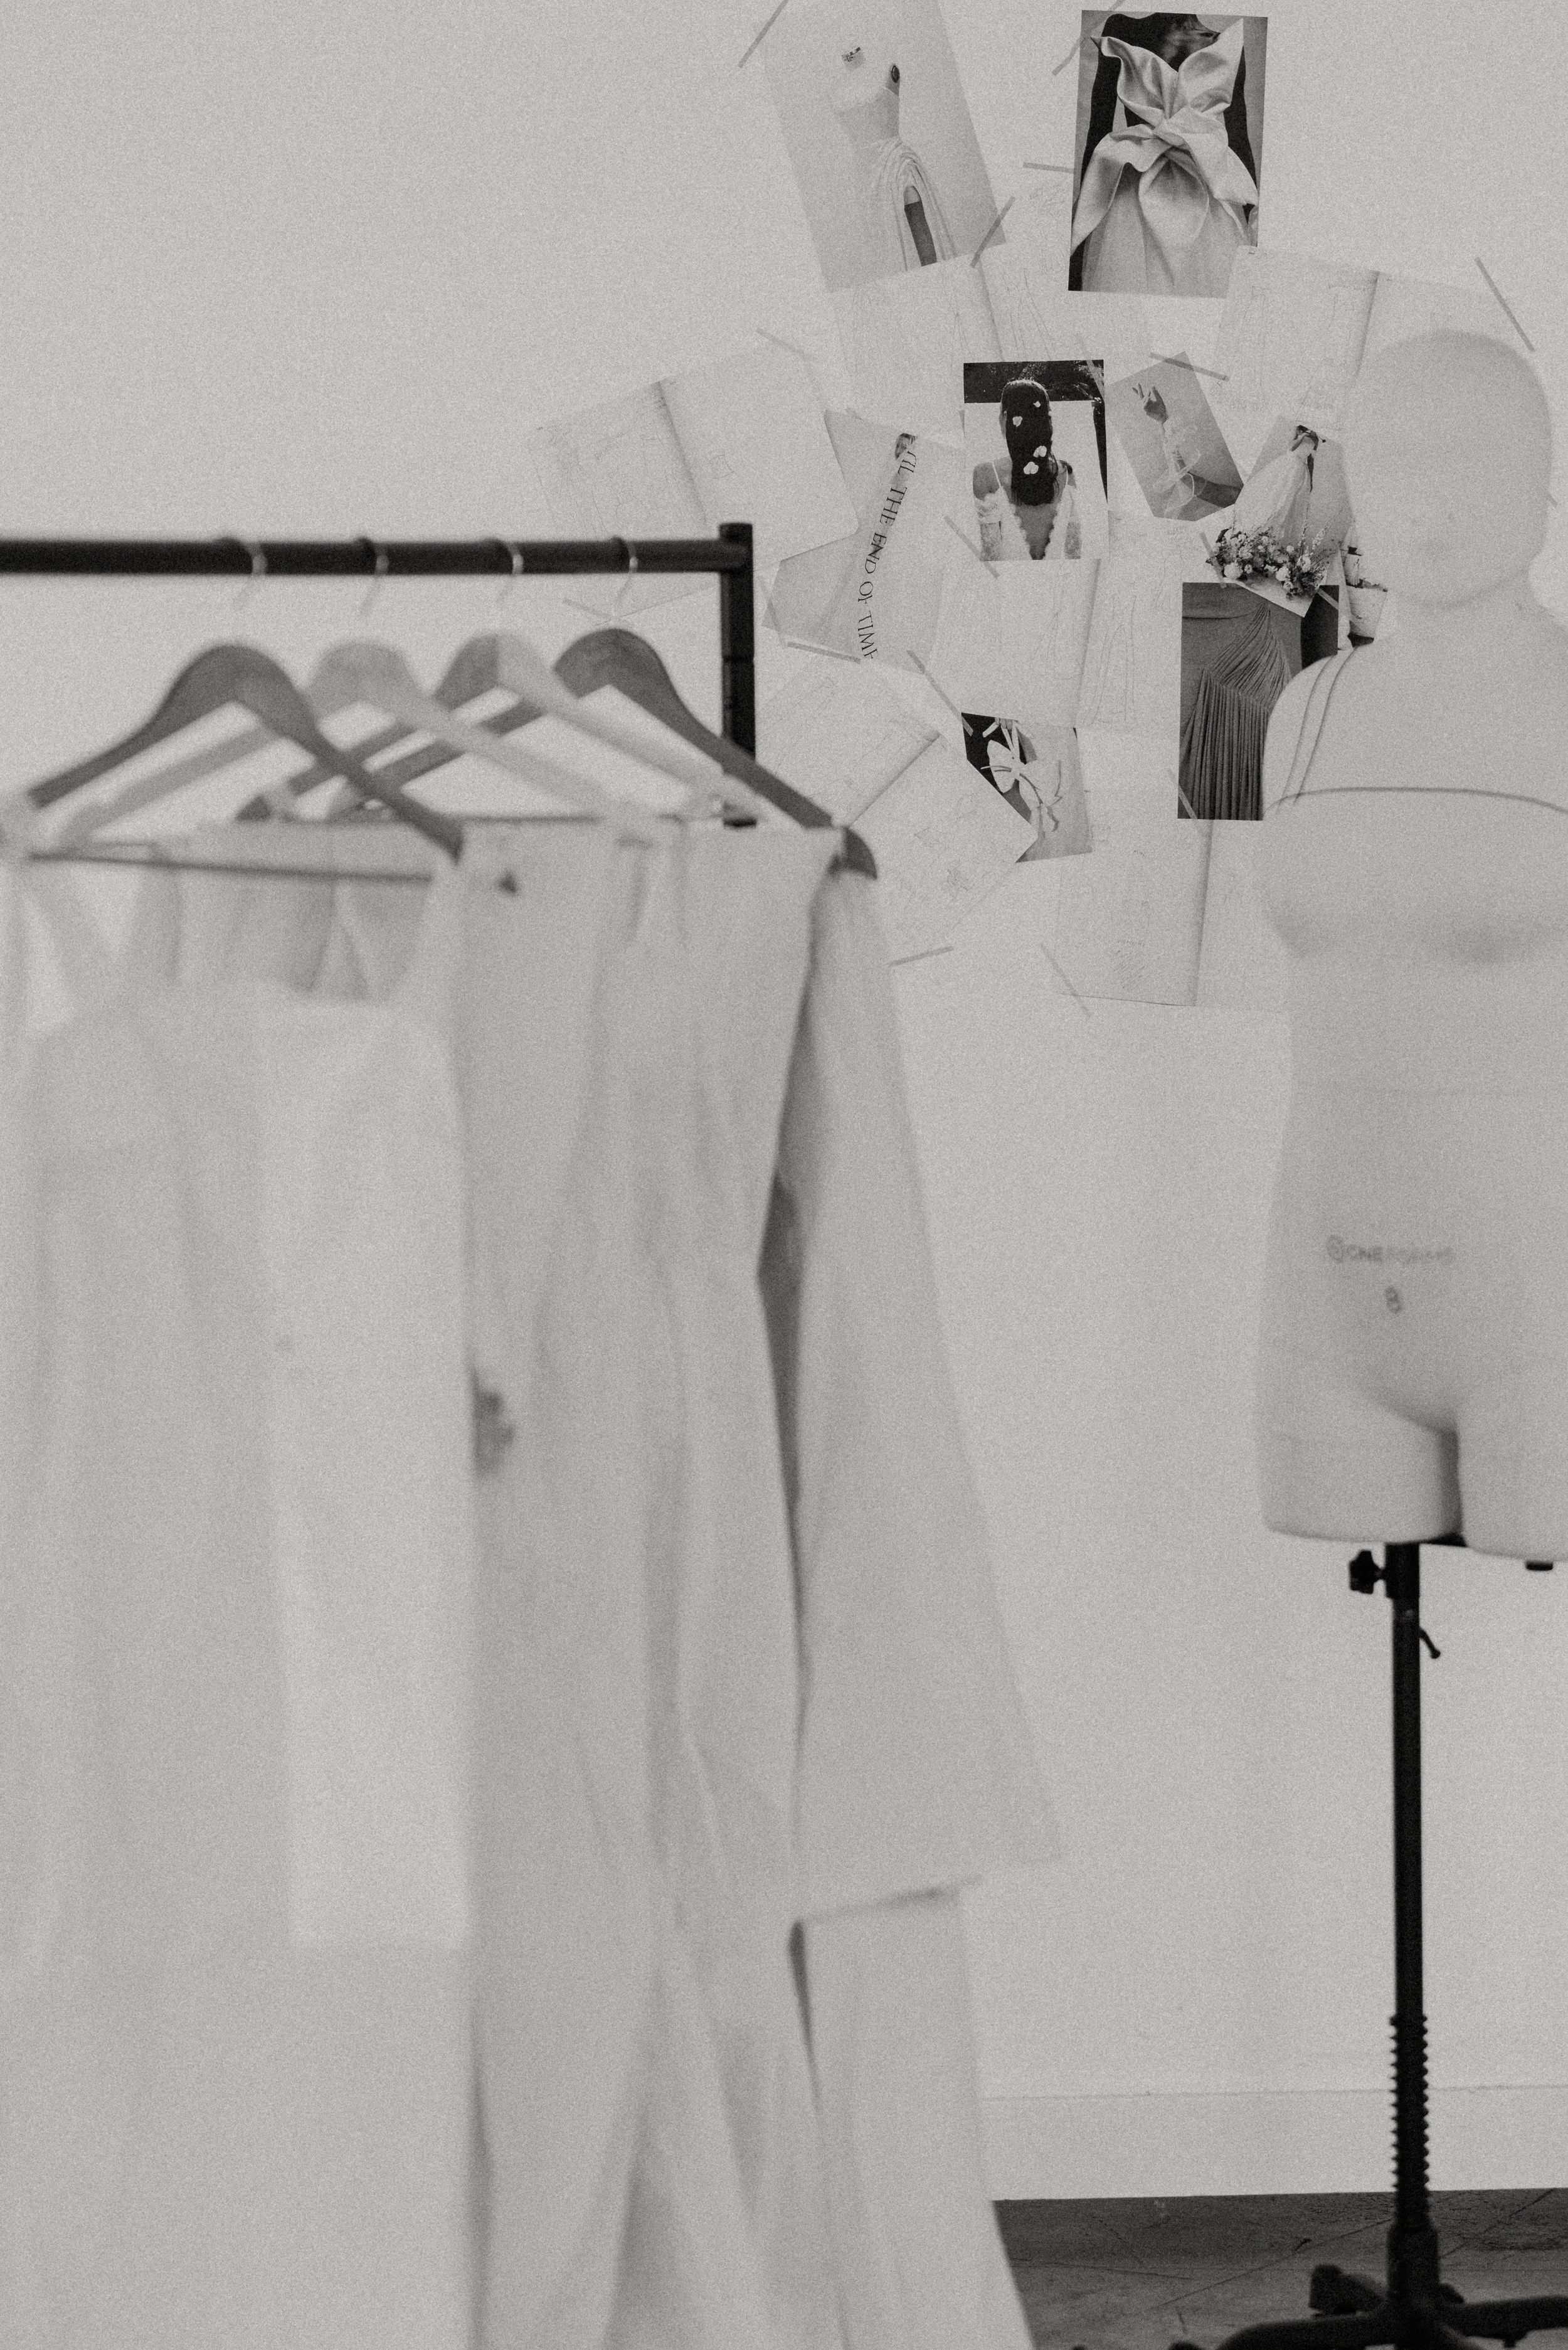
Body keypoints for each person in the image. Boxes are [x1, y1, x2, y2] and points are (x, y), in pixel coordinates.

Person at [1255, 331, 1568, 1558]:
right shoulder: (1303, 715)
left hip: (1539, 1312)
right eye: (1396, 459)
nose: (1430, 496)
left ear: (1542, 472)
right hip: (1322, 1313)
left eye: (1470, 456)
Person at [1070, 12, 1259, 297]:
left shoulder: (1124, 29)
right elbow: (1239, 143)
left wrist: (1256, 232)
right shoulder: (1222, 45)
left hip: (1141, 196)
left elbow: (1098, 132)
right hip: (1171, 199)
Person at [832, 13, 956, 280]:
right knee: (885, 253)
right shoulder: (836, 90)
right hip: (866, 177)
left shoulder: (886, 69)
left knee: (923, 243)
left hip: (897, 166)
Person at [972, 370, 1081, 561]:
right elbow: (1075, 554)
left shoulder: (986, 475)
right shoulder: (1066, 473)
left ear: (1006, 417)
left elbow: (991, 558)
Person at [1232, 424, 1320, 542]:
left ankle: (1275, 534)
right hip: (1287, 466)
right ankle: (1254, 528)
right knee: (1275, 493)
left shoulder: (1315, 439)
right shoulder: (1297, 429)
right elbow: (1291, 449)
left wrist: (1311, 480)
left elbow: (1311, 461)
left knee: (1289, 500)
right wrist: (1303, 435)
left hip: (1300, 470)